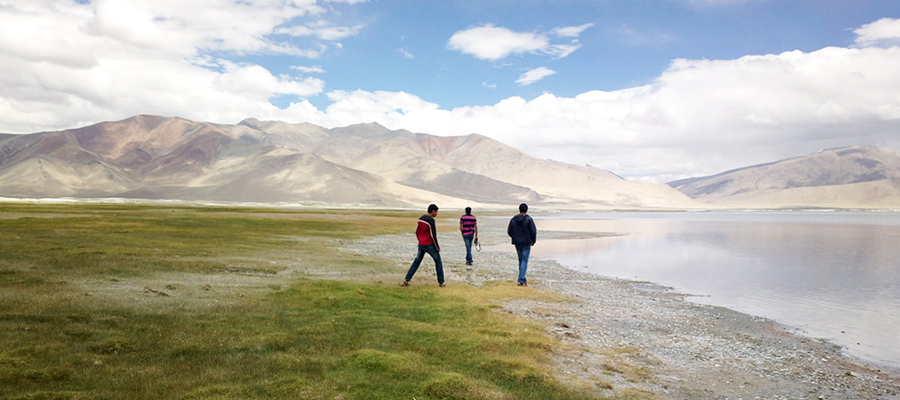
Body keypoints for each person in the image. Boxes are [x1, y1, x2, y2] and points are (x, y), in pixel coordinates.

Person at [402, 204, 445, 287]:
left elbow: (417, 232)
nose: (437, 213)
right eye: (436, 211)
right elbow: (433, 235)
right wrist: (437, 247)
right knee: (438, 262)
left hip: (421, 244)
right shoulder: (431, 220)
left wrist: (420, 240)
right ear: (432, 211)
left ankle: (406, 280)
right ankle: (441, 282)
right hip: (429, 245)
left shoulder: (421, 219)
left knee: (416, 262)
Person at [507, 203, 536, 286]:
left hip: (517, 242)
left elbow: (509, 231)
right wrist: (533, 241)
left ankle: (522, 278)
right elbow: (533, 231)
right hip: (526, 242)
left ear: (519, 209)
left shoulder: (513, 219)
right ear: (526, 210)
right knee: (524, 260)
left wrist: (514, 237)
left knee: (521, 259)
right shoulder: (529, 219)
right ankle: (521, 279)